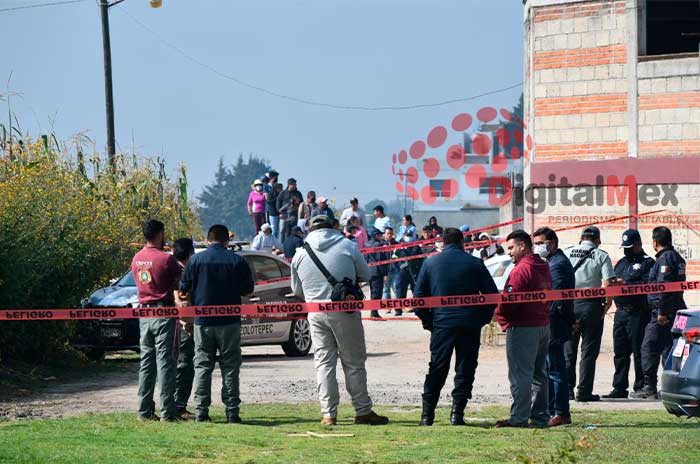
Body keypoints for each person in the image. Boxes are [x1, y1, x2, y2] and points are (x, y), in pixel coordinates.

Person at [291, 215, 389, 426]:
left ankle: (328, 414)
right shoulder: (348, 246)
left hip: (315, 312)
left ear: (310, 229)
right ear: (333, 227)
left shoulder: (300, 253)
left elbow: (296, 290)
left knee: (323, 363)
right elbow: (365, 275)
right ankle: (362, 410)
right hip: (345, 311)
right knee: (353, 362)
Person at [414, 228, 498, 426]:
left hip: (442, 324)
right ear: (462, 242)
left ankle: (427, 416)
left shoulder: (431, 262)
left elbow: (418, 299)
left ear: (443, 243)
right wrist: (482, 319)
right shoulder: (475, 263)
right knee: (465, 368)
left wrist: (429, 322)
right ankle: (457, 414)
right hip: (469, 324)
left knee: (437, 368)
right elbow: (492, 296)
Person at [179, 224, 255, 423]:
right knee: (230, 366)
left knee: (202, 365)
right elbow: (248, 291)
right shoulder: (237, 261)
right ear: (226, 241)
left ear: (207, 240)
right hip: (230, 322)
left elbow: (183, 292)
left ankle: (201, 412)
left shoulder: (195, 261)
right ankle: (232, 412)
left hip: (203, 322)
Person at [495, 230, 552, 428]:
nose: (509, 252)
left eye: (511, 248)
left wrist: (501, 317)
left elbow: (509, 301)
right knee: (539, 374)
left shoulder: (521, 270)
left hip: (523, 327)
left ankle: (519, 418)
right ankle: (540, 417)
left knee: (521, 374)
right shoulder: (542, 265)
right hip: (542, 325)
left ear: (523, 246)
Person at [131, 219, 182, 422]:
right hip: (164, 314)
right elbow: (180, 281)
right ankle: (168, 412)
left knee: (146, 363)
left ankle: (144, 411)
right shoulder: (166, 259)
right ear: (160, 234)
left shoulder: (136, 258)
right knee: (166, 362)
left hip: (144, 315)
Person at [601, 229, 655, 400]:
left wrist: (627, 283)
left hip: (638, 313)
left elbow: (649, 285)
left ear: (639, 245)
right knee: (620, 352)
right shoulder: (622, 263)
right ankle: (619, 387)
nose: (627, 251)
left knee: (639, 351)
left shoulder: (648, 263)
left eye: (630, 247)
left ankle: (641, 386)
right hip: (621, 313)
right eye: (625, 247)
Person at [634, 226, 687, 399]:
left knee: (648, 347)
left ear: (655, 241)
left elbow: (665, 288)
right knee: (668, 349)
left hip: (663, 313)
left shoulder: (665, 259)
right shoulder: (677, 257)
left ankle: (649, 387)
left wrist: (662, 312)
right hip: (673, 310)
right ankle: (672, 387)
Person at [563, 226, 615, 402]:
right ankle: (584, 392)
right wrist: (605, 308)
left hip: (569, 305)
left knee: (568, 349)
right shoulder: (601, 255)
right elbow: (608, 284)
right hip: (592, 307)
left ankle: (567, 390)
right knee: (589, 351)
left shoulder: (567, 252)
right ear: (597, 240)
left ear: (581, 238)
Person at [533, 227, 576, 427]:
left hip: (554, 322)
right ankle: (552, 410)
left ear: (553, 243)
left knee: (556, 369)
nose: (539, 247)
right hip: (554, 321)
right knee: (551, 367)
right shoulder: (553, 261)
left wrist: (545, 319)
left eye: (541, 243)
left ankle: (561, 412)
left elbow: (556, 297)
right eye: (537, 244)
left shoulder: (557, 264)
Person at [173, 238, 196, 419]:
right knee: (185, 366)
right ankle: (179, 405)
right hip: (183, 327)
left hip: (170, 325)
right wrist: (188, 325)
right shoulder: (183, 273)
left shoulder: (171, 269)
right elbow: (183, 302)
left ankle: (175, 404)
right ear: (190, 253)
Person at [364, 228, 390, 319]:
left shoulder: (366, 244)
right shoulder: (379, 245)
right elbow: (381, 260)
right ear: (376, 235)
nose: (381, 236)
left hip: (369, 271)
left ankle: (373, 311)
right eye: (379, 235)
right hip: (377, 272)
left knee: (372, 291)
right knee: (377, 292)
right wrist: (385, 273)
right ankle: (374, 312)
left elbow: (365, 258)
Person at [276, 178, 304, 242]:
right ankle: (282, 244)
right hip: (284, 215)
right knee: (282, 230)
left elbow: (302, 203)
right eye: (294, 184)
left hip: (294, 215)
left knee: (293, 230)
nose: (295, 186)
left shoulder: (298, 193)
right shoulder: (283, 193)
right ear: (289, 185)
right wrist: (279, 211)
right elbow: (278, 201)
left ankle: (291, 242)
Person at [264, 171, 281, 239]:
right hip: (270, 209)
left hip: (278, 209)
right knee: (272, 227)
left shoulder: (277, 186)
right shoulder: (267, 186)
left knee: (278, 229)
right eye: (275, 177)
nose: (276, 178)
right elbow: (267, 198)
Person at [382, 227, 398, 300]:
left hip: (395, 270)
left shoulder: (396, 244)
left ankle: (400, 305)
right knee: (386, 289)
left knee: (396, 288)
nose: (389, 235)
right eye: (388, 233)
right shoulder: (381, 245)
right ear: (384, 234)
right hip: (385, 271)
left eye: (391, 233)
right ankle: (387, 306)